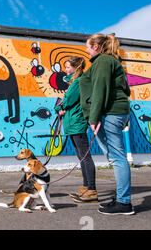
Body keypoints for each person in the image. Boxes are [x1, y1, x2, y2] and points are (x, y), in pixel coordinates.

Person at [79, 33, 134, 215]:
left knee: (117, 158)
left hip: (110, 114)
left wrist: (93, 118)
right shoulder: (107, 61)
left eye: (87, 46)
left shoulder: (103, 61)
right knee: (115, 157)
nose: (86, 50)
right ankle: (121, 198)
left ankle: (124, 203)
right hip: (113, 113)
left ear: (96, 46)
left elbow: (99, 90)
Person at [54, 56, 97, 203]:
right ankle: (86, 186)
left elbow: (67, 101)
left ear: (76, 67)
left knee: (85, 157)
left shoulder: (78, 82)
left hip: (77, 122)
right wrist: (61, 106)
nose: (65, 70)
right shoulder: (74, 82)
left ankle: (91, 189)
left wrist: (59, 107)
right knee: (81, 157)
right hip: (72, 123)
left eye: (68, 67)